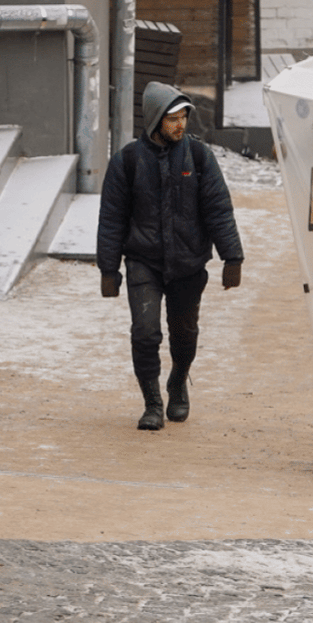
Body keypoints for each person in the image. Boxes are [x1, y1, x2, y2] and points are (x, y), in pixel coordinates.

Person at [97, 81, 244, 430]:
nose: (180, 125)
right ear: (154, 120)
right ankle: (152, 403)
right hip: (143, 261)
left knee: (184, 332)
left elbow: (218, 209)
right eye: (172, 119)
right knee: (145, 332)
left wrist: (232, 257)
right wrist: (108, 269)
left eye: (184, 117)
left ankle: (178, 380)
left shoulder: (198, 156)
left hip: (189, 262)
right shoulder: (128, 161)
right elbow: (112, 218)